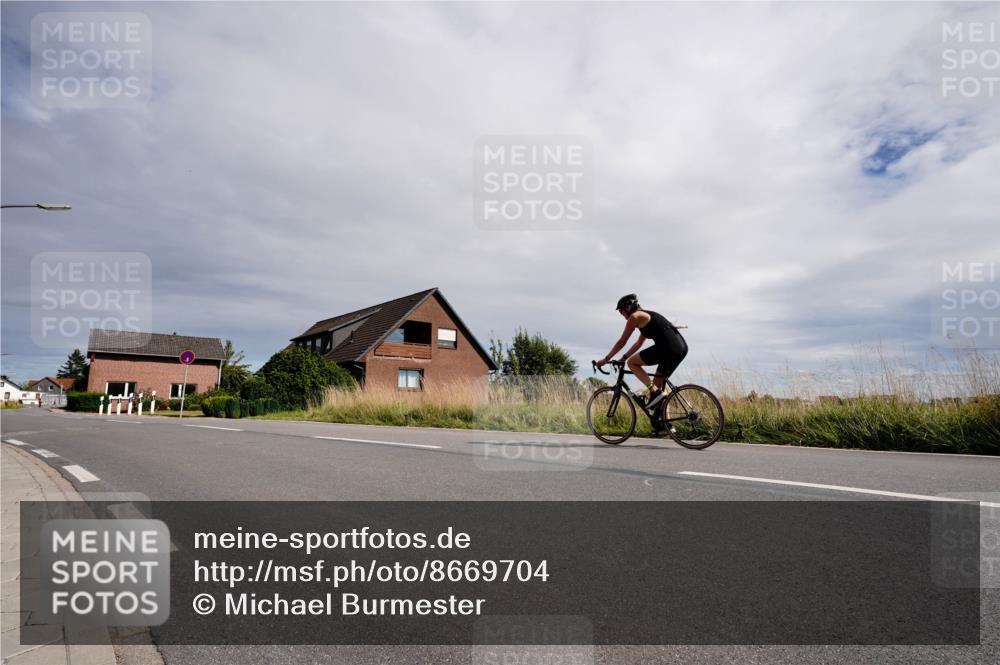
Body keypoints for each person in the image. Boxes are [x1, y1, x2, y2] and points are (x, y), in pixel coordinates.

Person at [595, 293, 688, 411]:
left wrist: (605, 359)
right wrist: (623, 357)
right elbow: (638, 343)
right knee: (659, 390)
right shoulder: (645, 317)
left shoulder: (635, 317)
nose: (621, 314)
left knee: (632, 363)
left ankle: (654, 391)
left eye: (621, 311)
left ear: (627, 308)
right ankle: (665, 426)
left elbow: (621, 342)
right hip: (680, 348)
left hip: (668, 348)